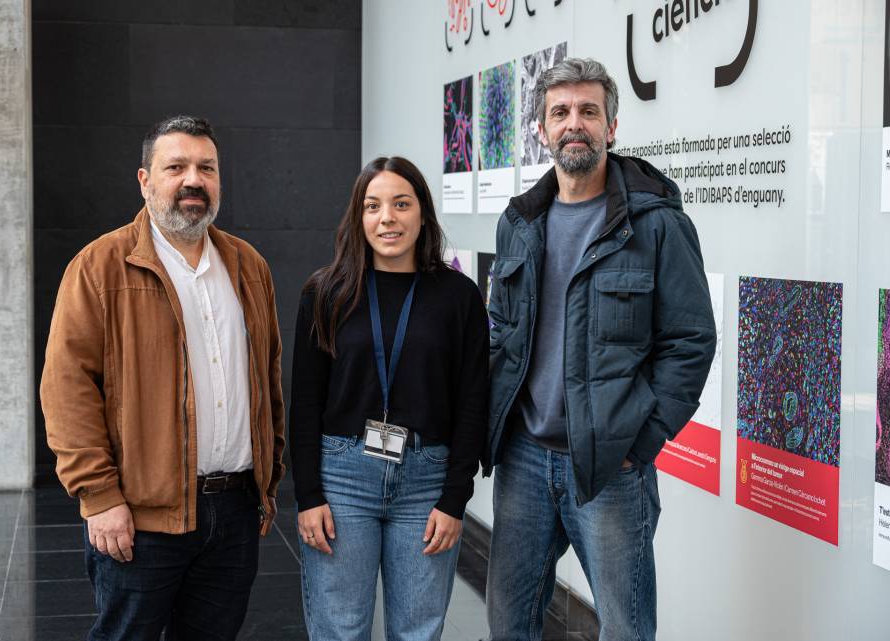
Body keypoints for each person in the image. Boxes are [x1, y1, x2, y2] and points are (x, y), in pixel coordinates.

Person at [483, 59, 717, 641]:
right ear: (541, 129)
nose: (574, 124)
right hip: (524, 460)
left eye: (589, 111)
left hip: (611, 466)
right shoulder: (519, 223)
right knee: (508, 626)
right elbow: (501, 331)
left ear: (612, 126)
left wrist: (643, 439)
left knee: (625, 629)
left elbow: (691, 340)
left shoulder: (656, 223)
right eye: (560, 112)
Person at [40, 115, 285, 641]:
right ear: (145, 181)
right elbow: (67, 389)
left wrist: (268, 478)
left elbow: (268, 381)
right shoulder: (99, 267)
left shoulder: (248, 266)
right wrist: (99, 498)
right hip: (141, 519)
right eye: (176, 167)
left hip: (234, 509)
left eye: (207, 168)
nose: (193, 180)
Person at [289, 156, 489, 641]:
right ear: (358, 217)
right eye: (373, 205)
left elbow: (473, 402)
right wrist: (309, 495)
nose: (388, 218)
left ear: (422, 212)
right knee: (340, 629)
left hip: (427, 483)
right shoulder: (326, 292)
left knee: (418, 632)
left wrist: (455, 499)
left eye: (402, 204)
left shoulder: (458, 296)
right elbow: (304, 401)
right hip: (342, 480)